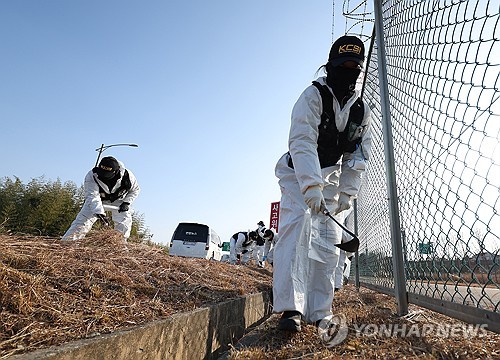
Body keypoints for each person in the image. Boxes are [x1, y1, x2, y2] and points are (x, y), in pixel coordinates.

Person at [272, 35, 372, 332]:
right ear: (330, 66)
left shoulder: (360, 111)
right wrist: (310, 186)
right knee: (298, 229)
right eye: (342, 66)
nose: (348, 72)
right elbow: (302, 141)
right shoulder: (312, 96)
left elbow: (358, 155)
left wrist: (346, 194)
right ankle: (290, 308)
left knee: (326, 244)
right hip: (298, 175)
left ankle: (319, 310)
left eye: (354, 67)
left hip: (331, 179)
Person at [62, 156, 140, 241]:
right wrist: (99, 213)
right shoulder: (92, 175)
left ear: (115, 172)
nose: (104, 176)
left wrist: (126, 202)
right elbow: (92, 196)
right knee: (81, 223)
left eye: (107, 175)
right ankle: (68, 244)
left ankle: (120, 245)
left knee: (124, 222)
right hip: (98, 200)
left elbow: (135, 190)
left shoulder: (128, 177)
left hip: (118, 201)